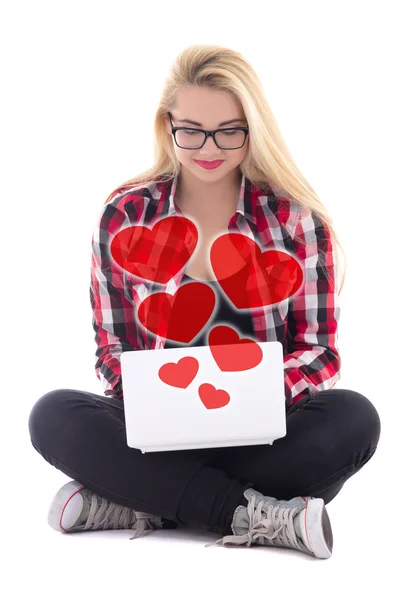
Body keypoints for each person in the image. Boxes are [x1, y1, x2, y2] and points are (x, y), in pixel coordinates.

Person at [28, 44, 381, 559]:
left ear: (252, 127)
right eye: (190, 129)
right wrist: (165, 403)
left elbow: (317, 350)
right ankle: (259, 514)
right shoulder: (125, 215)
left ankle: (140, 499)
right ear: (166, 125)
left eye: (229, 130)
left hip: (264, 435)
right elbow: (113, 347)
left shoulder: (295, 221)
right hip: (155, 436)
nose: (208, 146)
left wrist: (252, 396)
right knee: (52, 415)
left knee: (354, 419)